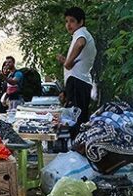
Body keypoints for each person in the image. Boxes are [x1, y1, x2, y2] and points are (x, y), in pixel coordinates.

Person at [56, 7, 96, 138]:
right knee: (78, 118)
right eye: (66, 21)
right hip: (79, 82)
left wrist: (68, 62)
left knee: (75, 120)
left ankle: (75, 153)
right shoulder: (80, 34)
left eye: (72, 21)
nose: (68, 24)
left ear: (81, 22)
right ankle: (77, 150)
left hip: (78, 82)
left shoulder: (81, 33)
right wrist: (67, 61)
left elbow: (80, 44)